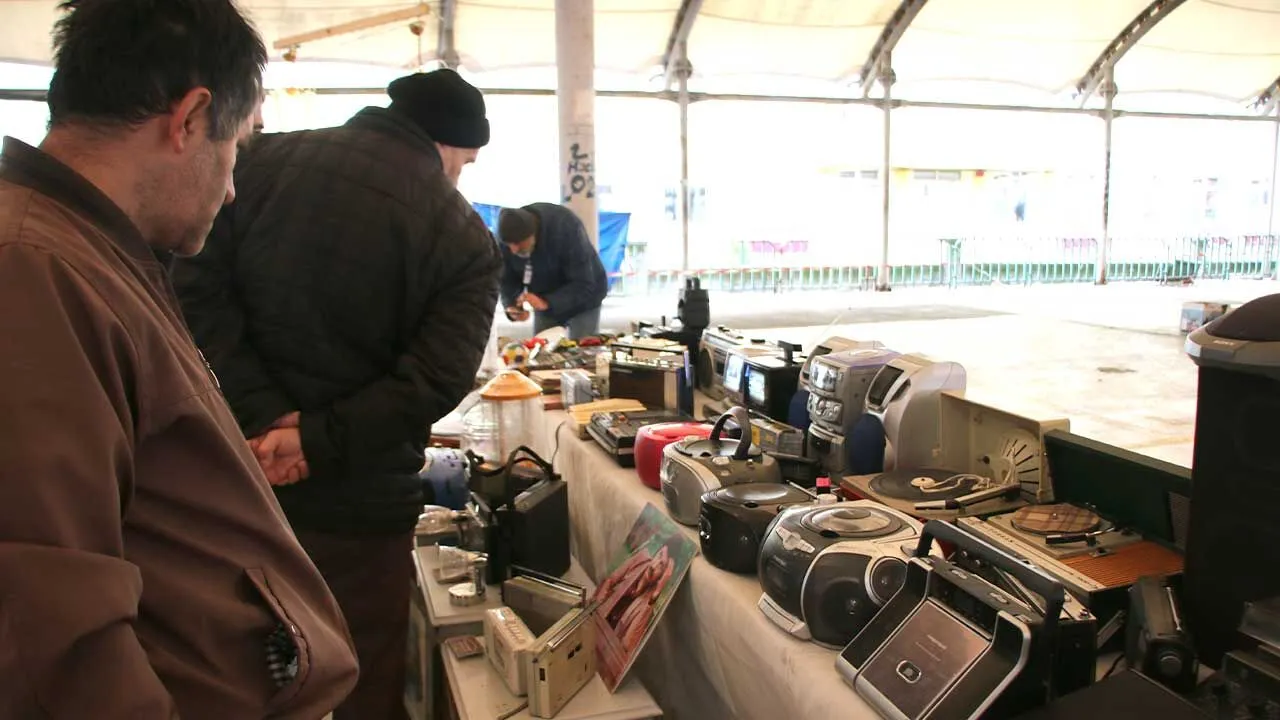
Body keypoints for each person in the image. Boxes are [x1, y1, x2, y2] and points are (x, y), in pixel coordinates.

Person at [0, 1, 358, 718]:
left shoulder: (93, 251)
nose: (229, 189)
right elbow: (46, 621)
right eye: (237, 149)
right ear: (191, 118)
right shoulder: (33, 267)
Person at [172, 68, 502, 720]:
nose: (458, 177)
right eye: (464, 162)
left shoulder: (259, 162)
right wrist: (312, 441)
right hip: (360, 510)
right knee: (360, 679)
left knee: (233, 677)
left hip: (233, 480)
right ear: (448, 145)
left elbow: (192, 290)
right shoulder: (462, 237)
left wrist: (263, 418)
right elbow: (433, 380)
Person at [497, 202, 608, 339]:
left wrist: (547, 302)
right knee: (542, 350)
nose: (514, 250)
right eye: (509, 245)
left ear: (533, 234)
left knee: (582, 351)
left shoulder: (566, 226)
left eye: (519, 244)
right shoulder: (506, 238)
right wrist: (511, 304)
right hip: (544, 296)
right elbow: (506, 278)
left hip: (585, 298)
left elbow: (584, 283)